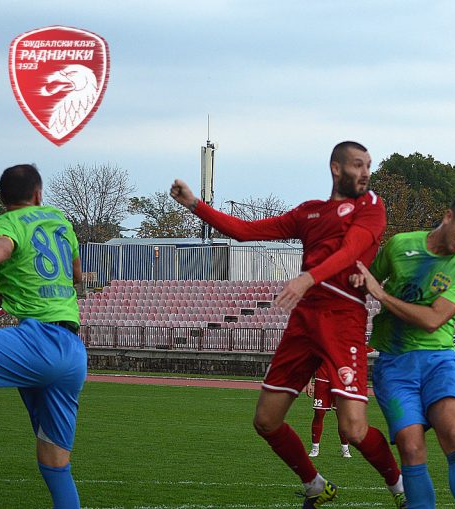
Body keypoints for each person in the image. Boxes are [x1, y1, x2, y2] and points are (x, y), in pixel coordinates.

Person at [170, 141, 406, 509]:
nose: (366, 173)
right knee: (265, 420)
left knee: (352, 430)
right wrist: (195, 205)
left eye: (368, 166)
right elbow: (245, 231)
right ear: (336, 168)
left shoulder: (371, 206)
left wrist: (308, 278)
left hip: (343, 319)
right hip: (304, 322)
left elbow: (350, 250)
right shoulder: (309, 212)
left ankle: (400, 488)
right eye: (358, 165)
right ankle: (315, 484)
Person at [353, 194, 455, 509]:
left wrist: (381, 295)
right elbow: (362, 280)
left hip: (439, 363)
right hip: (395, 366)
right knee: (411, 448)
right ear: (448, 216)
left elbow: (432, 320)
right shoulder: (400, 246)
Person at [0, 164, 87, 509]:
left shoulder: (6, 223)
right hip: (72, 353)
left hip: (39, 344)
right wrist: (8, 288)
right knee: (56, 464)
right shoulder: (59, 222)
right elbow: (74, 276)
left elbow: (2, 249)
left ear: (1, 197)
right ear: (38, 195)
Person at [306, 363, 351, 458]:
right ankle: (315, 448)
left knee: (342, 415)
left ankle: (345, 449)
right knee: (319, 413)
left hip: (339, 381)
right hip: (321, 380)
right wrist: (309, 382)